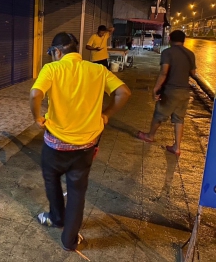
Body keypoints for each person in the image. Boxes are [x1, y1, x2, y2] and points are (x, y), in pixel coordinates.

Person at [30, 32, 131, 251]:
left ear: (57, 52)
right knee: (77, 192)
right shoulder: (98, 70)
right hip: (85, 146)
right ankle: (69, 241)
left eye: (52, 54)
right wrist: (106, 115)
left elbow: (34, 94)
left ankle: (56, 218)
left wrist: (37, 117)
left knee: (52, 180)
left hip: (55, 145)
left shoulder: (52, 69)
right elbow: (123, 93)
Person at [137, 30, 196, 156]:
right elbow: (193, 73)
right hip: (185, 91)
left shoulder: (167, 52)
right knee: (179, 119)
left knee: (159, 114)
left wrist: (156, 88)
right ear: (183, 40)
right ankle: (177, 147)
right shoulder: (190, 54)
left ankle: (150, 136)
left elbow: (164, 72)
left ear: (169, 39)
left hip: (171, 90)